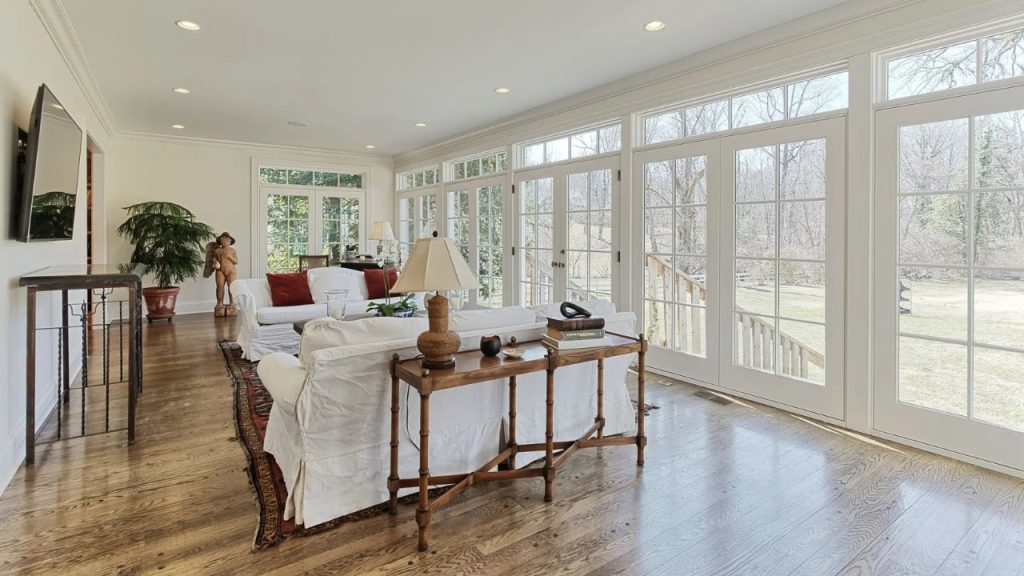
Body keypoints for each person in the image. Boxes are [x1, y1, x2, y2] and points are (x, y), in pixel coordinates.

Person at [205, 232, 239, 316]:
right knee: (220, 286)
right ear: (220, 241)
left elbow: (236, 261)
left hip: (231, 271)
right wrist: (215, 263)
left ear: (230, 241)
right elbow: (214, 259)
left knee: (232, 287)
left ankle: (232, 302)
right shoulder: (217, 251)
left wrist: (229, 257)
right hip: (220, 270)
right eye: (223, 240)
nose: (225, 241)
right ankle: (220, 302)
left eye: (227, 240)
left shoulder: (233, 251)